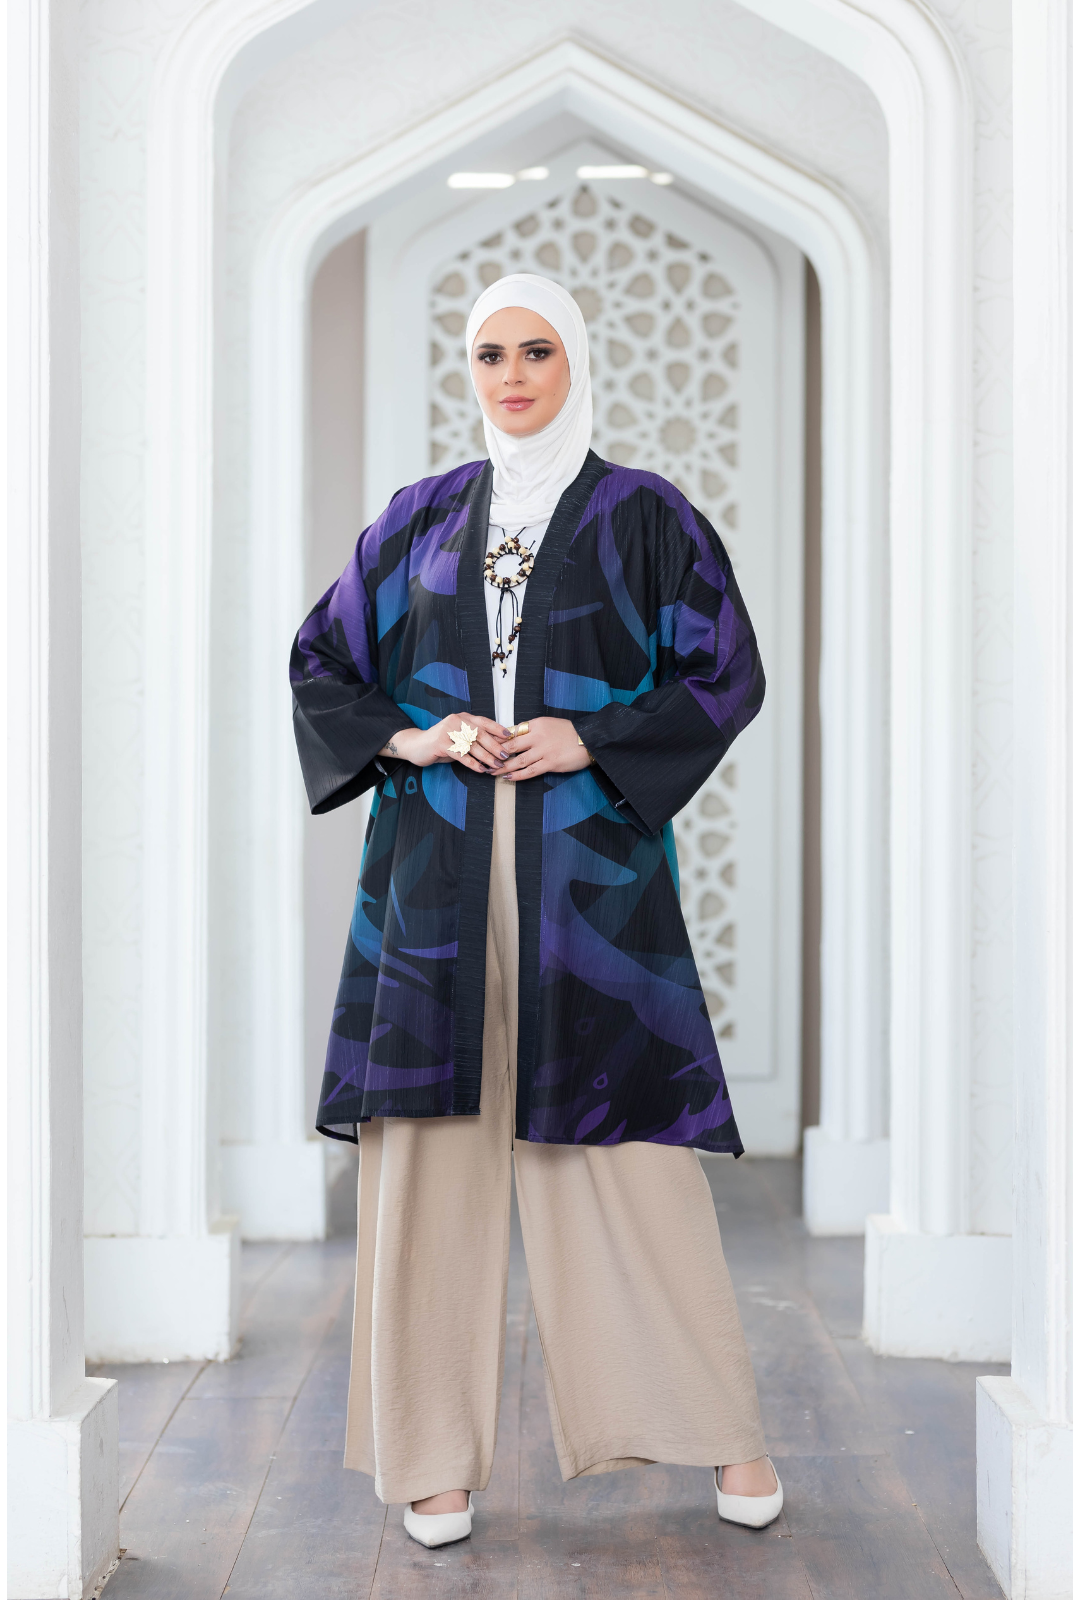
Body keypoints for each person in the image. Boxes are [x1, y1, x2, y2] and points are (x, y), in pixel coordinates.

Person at [290, 272, 782, 1548]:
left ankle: (719, 1430)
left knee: (623, 1159)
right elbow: (324, 663)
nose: (512, 374)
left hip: (588, 881)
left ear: (576, 362)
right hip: (435, 881)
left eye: (538, 351)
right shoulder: (418, 521)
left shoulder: (645, 515)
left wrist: (590, 738)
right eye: (491, 353)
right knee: (428, 1160)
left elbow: (724, 671)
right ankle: (430, 1457)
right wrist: (421, 730)